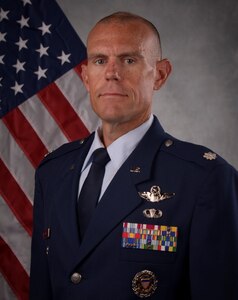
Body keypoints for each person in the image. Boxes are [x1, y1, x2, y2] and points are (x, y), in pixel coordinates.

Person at [30, 11, 238, 300]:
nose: (111, 72)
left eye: (129, 60)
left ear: (160, 75)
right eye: (100, 60)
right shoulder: (53, 171)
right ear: (86, 76)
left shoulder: (205, 179)